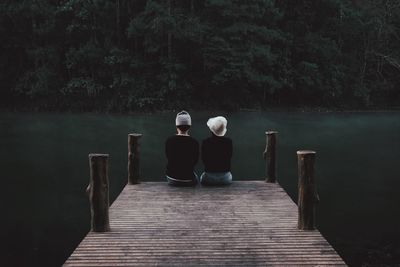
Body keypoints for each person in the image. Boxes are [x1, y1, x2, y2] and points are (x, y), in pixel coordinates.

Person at [165, 110, 199, 186]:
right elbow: (195, 161)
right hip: (188, 179)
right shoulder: (194, 142)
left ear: (176, 126)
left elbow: (168, 157)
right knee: (197, 178)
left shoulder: (169, 141)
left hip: (171, 178)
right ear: (189, 126)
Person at [200, 116, 233, 186]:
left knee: (200, 178)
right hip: (225, 179)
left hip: (208, 178)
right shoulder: (229, 142)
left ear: (212, 129)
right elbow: (229, 157)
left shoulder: (205, 142)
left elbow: (204, 160)